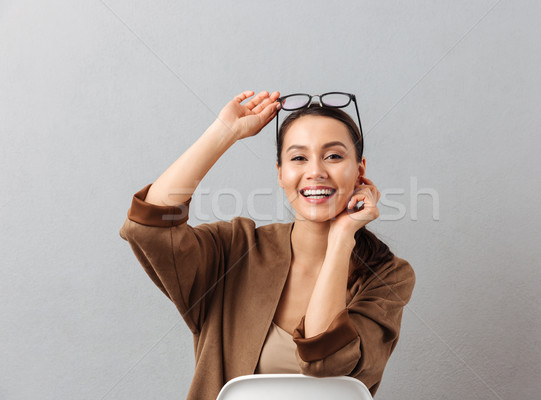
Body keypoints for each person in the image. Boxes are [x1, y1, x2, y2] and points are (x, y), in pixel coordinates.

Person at [119, 90, 416, 400]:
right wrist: (224, 133)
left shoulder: (389, 275)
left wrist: (342, 238)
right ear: (280, 174)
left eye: (334, 156)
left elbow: (327, 362)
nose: (315, 172)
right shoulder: (234, 249)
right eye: (298, 158)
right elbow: (148, 226)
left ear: (360, 172)